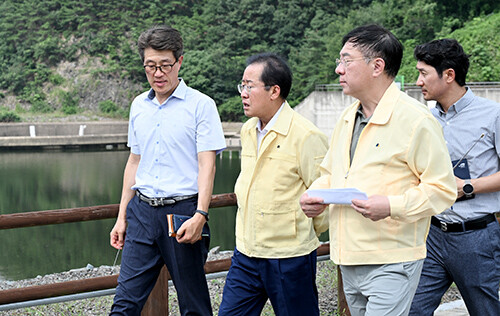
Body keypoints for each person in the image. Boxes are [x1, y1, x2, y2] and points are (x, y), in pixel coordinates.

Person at [299, 24, 457, 316]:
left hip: (392, 259)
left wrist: (391, 206)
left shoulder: (416, 120)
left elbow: (442, 189)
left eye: (346, 61)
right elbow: (332, 173)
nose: (339, 70)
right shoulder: (348, 116)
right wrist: (316, 195)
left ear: (377, 66)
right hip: (347, 256)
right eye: (339, 61)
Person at [109, 25, 226, 316]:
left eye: (164, 65)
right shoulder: (138, 105)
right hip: (142, 212)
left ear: (180, 62)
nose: (158, 73)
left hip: (183, 212)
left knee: (193, 304)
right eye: (150, 66)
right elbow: (134, 162)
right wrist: (122, 216)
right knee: (124, 302)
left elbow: (207, 164)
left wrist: (201, 214)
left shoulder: (201, 106)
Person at [218, 53, 329, 316]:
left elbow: (324, 195)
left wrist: (301, 234)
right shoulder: (248, 130)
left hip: (289, 256)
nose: (243, 93)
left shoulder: (306, 135)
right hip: (246, 252)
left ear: (274, 91)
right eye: (241, 86)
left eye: (249, 86)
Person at [409, 39, 500, 315]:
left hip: (477, 237)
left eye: (424, 73)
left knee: (486, 311)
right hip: (432, 234)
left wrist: (467, 187)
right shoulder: (423, 120)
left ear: (449, 75)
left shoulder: (493, 114)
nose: (417, 81)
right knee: (410, 309)